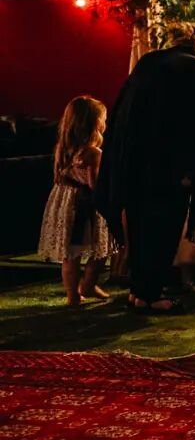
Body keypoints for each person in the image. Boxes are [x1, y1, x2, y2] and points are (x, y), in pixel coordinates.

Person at [97, 23, 195, 312]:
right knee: (164, 229)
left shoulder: (148, 62)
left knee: (138, 228)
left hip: (135, 161)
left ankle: (138, 291)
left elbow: (125, 110)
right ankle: (153, 295)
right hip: (172, 165)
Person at [38, 95, 116, 305]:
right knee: (102, 249)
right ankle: (88, 285)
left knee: (70, 254)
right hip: (85, 204)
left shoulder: (63, 149)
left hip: (64, 202)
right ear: (95, 123)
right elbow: (94, 185)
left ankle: (72, 294)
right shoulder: (93, 153)